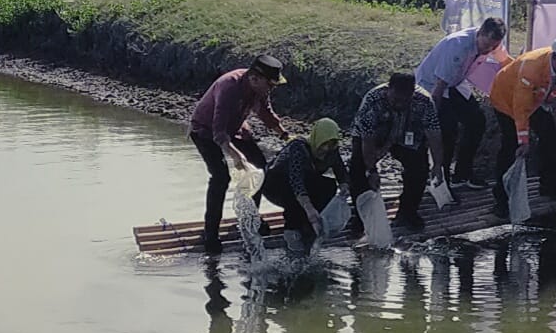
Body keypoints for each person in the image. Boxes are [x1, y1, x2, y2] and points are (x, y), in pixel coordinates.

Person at [189, 55, 289, 253]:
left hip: (236, 128)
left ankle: (249, 220)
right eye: (270, 85)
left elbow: (266, 114)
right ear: (255, 79)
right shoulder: (229, 87)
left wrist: (285, 135)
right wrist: (237, 156)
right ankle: (211, 232)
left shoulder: (259, 89)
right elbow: (218, 133)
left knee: (259, 168)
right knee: (220, 177)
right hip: (205, 130)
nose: (270, 90)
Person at [489, 34, 556, 219]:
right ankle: (500, 201)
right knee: (511, 146)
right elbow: (520, 107)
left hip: (534, 101)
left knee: (549, 136)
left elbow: (550, 90)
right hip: (505, 99)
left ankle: (549, 186)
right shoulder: (531, 68)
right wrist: (523, 140)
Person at [414, 17, 507, 190]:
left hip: (456, 82)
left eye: (493, 47)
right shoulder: (457, 45)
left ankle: (462, 173)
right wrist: (433, 116)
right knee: (448, 130)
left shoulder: (491, 45)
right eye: (486, 45)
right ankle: (442, 180)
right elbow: (440, 86)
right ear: (480, 33)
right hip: (434, 85)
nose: (488, 50)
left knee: (477, 121)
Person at [348, 74, 446, 232]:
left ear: (412, 94)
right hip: (377, 134)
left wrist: (438, 165)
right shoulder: (372, 101)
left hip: (408, 135)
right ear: (389, 89)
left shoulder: (424, 102)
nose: (399, 105)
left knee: (418, 170)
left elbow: (434, 133)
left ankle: (408, 212)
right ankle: (361, 217)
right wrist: (372, 170)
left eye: (404, 101)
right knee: (358, 170)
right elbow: (367, 141)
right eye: (395, 100)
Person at [260, 118, 348, 254]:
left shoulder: (332, 151)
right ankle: (292, 230)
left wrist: (344, 190)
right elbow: (296, 181)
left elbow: (341, 173)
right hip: (275, 184)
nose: (325, 149)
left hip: (303, 182)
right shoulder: (299, 147)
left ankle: (309, 225)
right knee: (296, 195)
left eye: (330, 144)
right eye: (323, 144)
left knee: (328, 186)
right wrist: (310, 210)